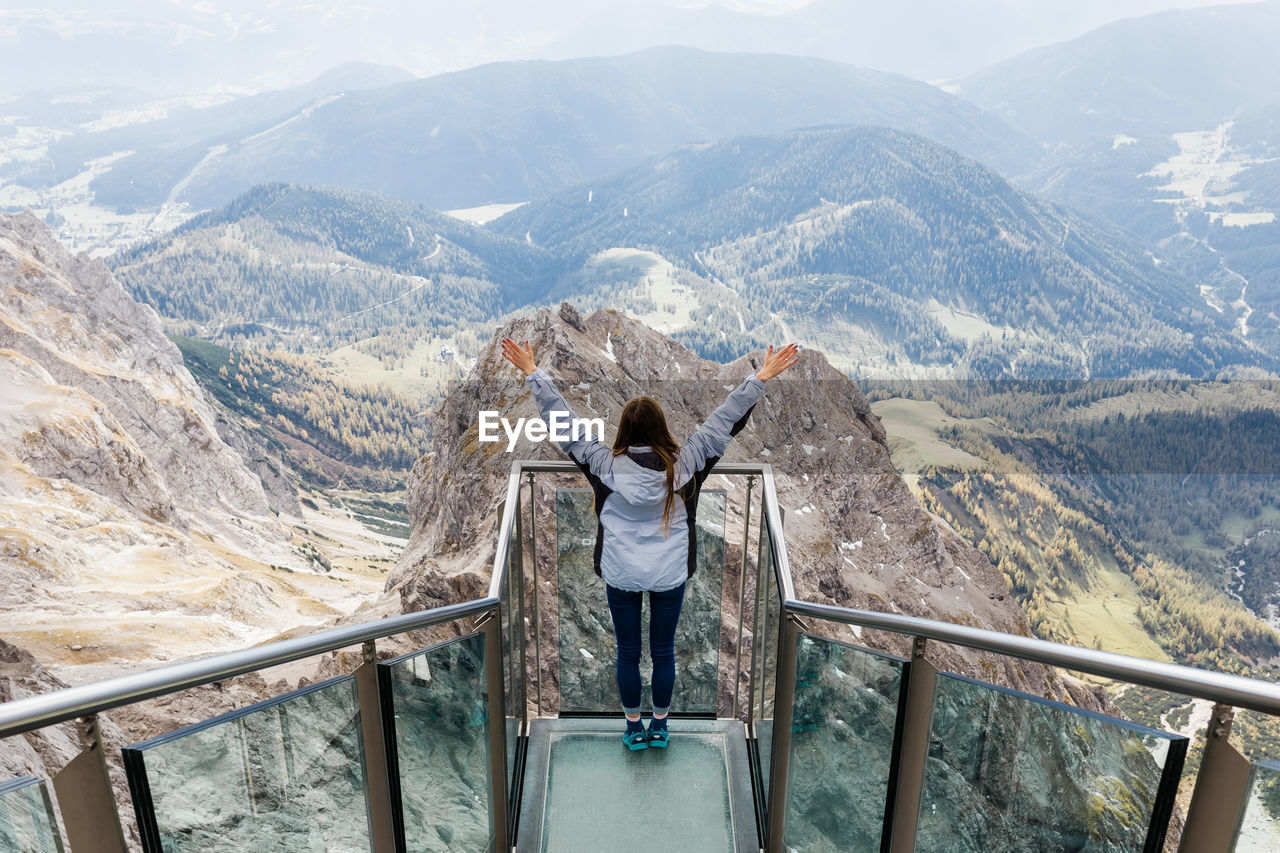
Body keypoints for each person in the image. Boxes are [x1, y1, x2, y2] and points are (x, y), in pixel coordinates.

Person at [500, 336, 799, 750]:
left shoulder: (604, 466)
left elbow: (563, 424)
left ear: (624, 432)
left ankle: (633, 729)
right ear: (662, 431)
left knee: (627, 653)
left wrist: (534, 373)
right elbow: (723, 421)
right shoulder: (687, 466)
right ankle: (660, 727)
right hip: (669, 572)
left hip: (621, 572)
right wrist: (760, 377)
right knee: (662, 652)